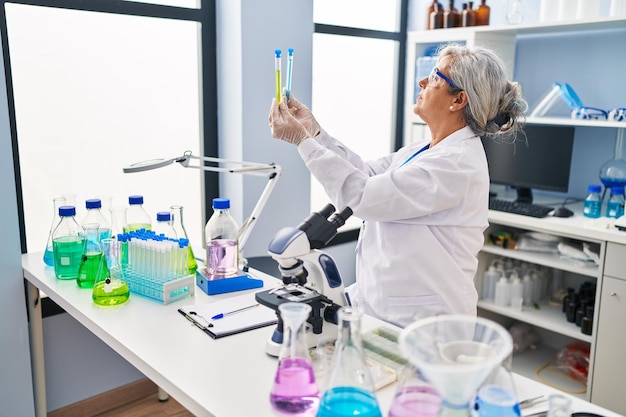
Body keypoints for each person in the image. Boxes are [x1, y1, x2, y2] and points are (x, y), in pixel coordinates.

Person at [268, 43, 527, 327]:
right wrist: (313, 132)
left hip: (426, 324)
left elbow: (361, 198)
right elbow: (365, 175)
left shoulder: (455, 165)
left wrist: (301, 142)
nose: (423, 81)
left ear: (458, 100)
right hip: (388, 310)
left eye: (436, 77)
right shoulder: (426, 150)